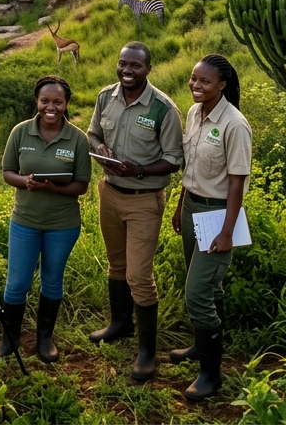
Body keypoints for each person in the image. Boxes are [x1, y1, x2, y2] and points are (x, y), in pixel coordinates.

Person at [87, 42, 184, 381]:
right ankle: (119, 323)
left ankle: (147, 353)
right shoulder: (105, 98)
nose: (127, 70)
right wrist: (99, 147)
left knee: (139, 275)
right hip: (109, 194)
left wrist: (139, 171)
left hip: (144, 200)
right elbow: (93, 133)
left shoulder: (162, 108)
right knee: (117, 264)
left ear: (148, 69)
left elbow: (174, 159)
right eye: (122, 63)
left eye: (135, 66)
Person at [0, 76, 92, 363]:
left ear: (66, 104)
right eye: (45, 101)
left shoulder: (77, 139)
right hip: (24, 221)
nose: (51, 107)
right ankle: (8, 339)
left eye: (57, 102)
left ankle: (44, 339)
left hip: (62, 224)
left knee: (52, 281)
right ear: (37, 102)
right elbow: (7, 172)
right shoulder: (20, 133)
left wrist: (53, 188)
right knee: (17, 283)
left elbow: (81, 185)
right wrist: (26, 182)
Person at [170, 54, 251, 402]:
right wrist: (179, 206)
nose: (195, 85)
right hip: (192, 207)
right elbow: (193, 168)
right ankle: (199, 346)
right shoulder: (193, 112)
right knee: (207, 286)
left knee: (197, 293)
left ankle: (210, 374)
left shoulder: (234, 124)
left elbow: (236, 183)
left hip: (218, 214)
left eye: (204, 81)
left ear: (222, 85)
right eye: (193, 78)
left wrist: (227, 232)